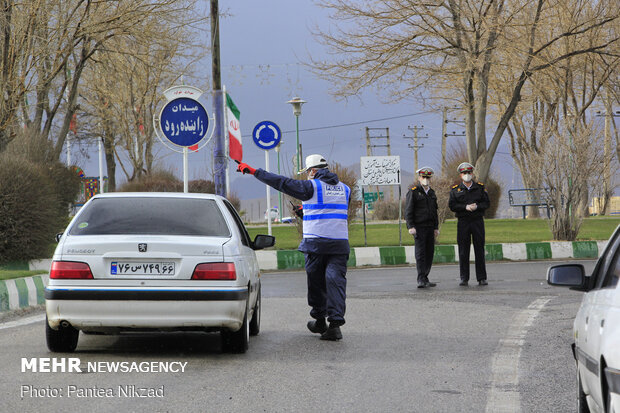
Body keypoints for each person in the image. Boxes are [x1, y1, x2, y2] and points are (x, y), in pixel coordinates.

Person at [237, 154, 350, 341]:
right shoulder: (345, 189)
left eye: (307, 172)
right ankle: (335, 325)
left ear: (313, 171)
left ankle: (320, 320)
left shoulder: (310, 186)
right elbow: (332, 212)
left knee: (316, 283)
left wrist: (255, 171)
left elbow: (281, 183)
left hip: (316, 244)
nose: (307, 176)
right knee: (335, 282)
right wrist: (305, 213)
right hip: (339, 244)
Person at [448, 162, 490, 286]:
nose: (467, 175)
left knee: (479, 249)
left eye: (469, 173)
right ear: (461, 175)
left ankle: (481, 278)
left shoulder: (480, 188)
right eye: (464, 173)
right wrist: (464, 207)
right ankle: (464, 278)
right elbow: (452, 205)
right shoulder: (455, 190)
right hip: (463, 222)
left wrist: (477, 206)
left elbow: (486, 203)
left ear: (472, 173)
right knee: (463, 250)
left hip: (477, 221)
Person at [404, 167, 439, 288]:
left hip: (430, 227)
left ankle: (426, 277)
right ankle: (420, 278)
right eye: (423, 177)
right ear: (419, 178)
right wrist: (410, 226)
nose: (425, 179)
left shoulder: (432, 193)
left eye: (428, 177)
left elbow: (435, 212)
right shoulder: (413, 192)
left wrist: (436, 227)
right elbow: (408, 210)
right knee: (420, 254)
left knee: (429, 253)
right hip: (419, 227)